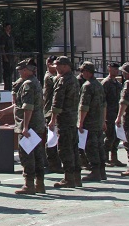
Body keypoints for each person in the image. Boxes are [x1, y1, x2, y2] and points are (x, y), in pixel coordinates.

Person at [11, 58, 47, 195]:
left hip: (29, 125)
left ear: (26, 70)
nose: (20, 73)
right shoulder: (36, 82)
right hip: (37, 124)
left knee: (27, 155)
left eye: (21, 70)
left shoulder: (27, 84)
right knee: (37, 154)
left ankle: (29, 184)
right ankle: (39, 183)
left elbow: (27, 108)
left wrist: (25, 126)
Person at [50, 56, 81, 189]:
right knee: (74, 148)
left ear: (66, 66)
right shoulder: (74, 79)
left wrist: (52, 120)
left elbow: (57, 102)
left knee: (65, 149)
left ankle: (69, 178)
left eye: (58, 65)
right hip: (73, 118)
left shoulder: (63, 80)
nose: (56, 67)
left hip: (64, 119)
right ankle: (76, 177)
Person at [77, 62, 106, 182]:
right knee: (99, 146)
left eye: (83, 71)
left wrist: (81, 122)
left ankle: (95, 172)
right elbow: (104, 104)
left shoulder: (87, 86)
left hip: (90, 121)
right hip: (98, 121)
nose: (82, 73)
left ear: (88, 72)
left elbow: (84, 106)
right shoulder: (99, 85)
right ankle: (102, 171)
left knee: (91, 147)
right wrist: (103, 120)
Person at [102, 62, 125, 168]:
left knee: (117, 137)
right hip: (109, 114)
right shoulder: (105, 83)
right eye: (114, 69)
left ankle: (114, 158)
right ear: (109, 69)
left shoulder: (118, 84)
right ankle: (105, 158)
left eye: (117, 69)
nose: (116, 71)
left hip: (117, 113)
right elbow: (103, 101)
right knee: (109, 136)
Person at [42, 55, 61, 173]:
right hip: (49, 111)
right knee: (51, 139)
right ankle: (52, 163)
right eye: (54, 64)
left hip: (55, 111)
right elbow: (59, 80)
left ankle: (57, 162)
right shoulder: (49, 76)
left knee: (56, 138)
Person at [0, 23, 16, 90]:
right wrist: (5, 57)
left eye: (10, 27)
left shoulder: (11, 37)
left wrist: (14, 56)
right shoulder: (3, 37)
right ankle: (7, 87)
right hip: (7, 57)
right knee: (7, 72)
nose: (9, 29)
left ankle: (10, 86)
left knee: (10, 72)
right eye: (8, 27)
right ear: (5, 28)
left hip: (11, 56)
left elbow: (13, 47)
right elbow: (2, 48)